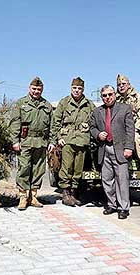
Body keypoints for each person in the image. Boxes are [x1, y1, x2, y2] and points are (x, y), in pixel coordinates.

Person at [9, 77, 54, 210]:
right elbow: (15, 123)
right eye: (34, 89)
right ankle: (23, 197)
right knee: (24, 168)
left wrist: (51, 141)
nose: (36, 91)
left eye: (39, 89)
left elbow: (52, 126)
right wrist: (15, 141)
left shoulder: (47, 105)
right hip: (25, 141)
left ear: (42, 90)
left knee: (38, 170)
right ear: (29, 88)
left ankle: (33, 196)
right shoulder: (21, 103)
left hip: (41, 142)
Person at [90, 85, 135, 219]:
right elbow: (92, 127)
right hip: (105, 149)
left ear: (114, 94)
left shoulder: (125, 108)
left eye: (110, 94)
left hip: (120, 149)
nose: (107, 97)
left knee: (122, 180)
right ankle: (112, 204)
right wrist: (98, 134)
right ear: (102, 96)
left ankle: (123, 208)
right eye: (104, 95)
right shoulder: (97, 111)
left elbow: (130, 129)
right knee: (107, 180)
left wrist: (129, 147)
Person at [51, 77, 95, 206]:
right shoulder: (64, 102)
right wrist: (59, 137)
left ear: (83, 89)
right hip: (67, 141)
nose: (77, 91)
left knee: (78, 169)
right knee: (67, 168)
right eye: (74, 88)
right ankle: (66, 193)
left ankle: (74, 193)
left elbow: (95, 121)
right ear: (71, 88)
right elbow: (56, 122)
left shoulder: (89, 104)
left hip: (82, 141)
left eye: (79, 88)